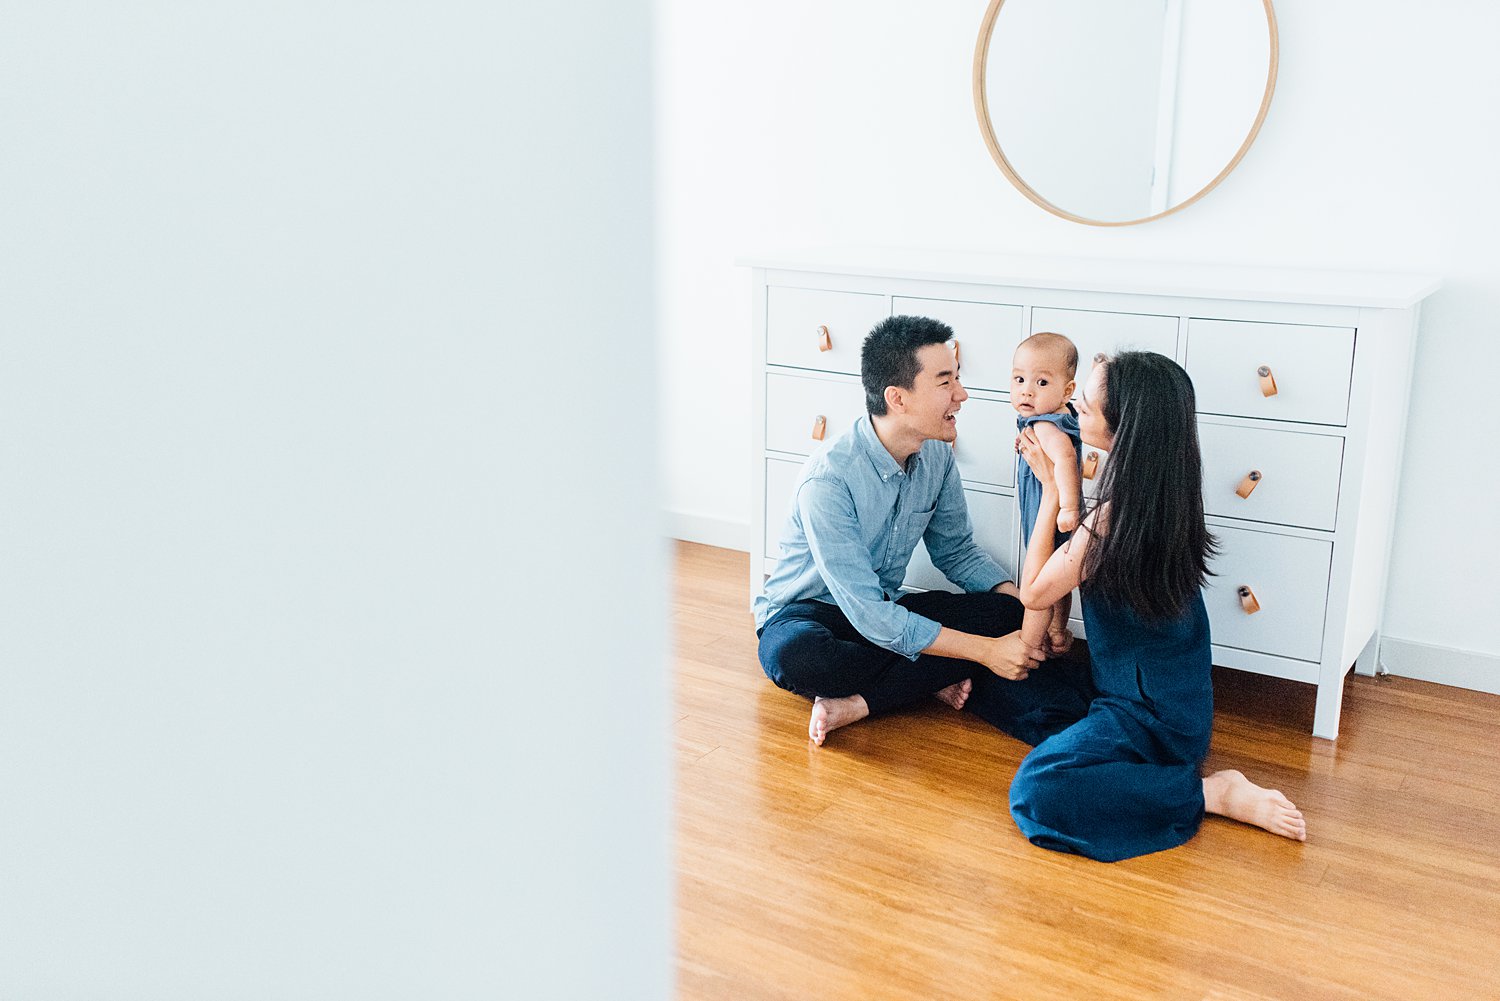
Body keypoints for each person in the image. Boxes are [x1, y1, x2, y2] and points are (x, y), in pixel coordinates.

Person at [994, 350, 1306, 861]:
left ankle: (1211, 793)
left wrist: (1051, 488)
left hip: (1151, 721)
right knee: (1005, 685)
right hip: (1151, 697)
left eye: (1088, 408)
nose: (1075, 409)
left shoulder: (1112, 521)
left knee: (1038, 790)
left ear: (1124, 431)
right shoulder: (1166, 496)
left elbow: (1033, 592)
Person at [753, 315, 1088, 747]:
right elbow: (868, 614)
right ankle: (904, 688)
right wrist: (985, 651)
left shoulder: (937, 456)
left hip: (886, 607)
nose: (962, 395)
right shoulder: (828, 481)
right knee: (798, 659)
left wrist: (1023, 613)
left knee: (1007, 611)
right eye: (945, 383)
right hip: (811, 616)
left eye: (958, 379)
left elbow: (957, 552)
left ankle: (876, 694)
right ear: (898, 398)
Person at [1010, 331, 1084, 661]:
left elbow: (1066, 459)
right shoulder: (1046, 420)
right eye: (1019, 378)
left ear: (1067, 390)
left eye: (1041, 382)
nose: (1026, 389)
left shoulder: (1046, 424)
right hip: (1049, 507)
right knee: (1058, 580)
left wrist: (1068, 507)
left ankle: (1029, 645)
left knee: (1040, 581)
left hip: (1052, 513)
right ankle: (1056, 630)